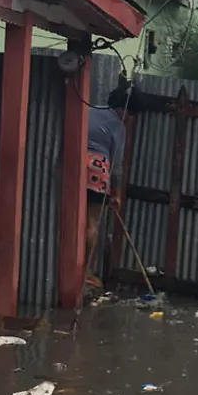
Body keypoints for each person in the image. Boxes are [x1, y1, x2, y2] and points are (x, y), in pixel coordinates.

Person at [85, 83, 134, 289]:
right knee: (91, 222)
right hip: (96, 169)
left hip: (72, 162)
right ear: (125, 110)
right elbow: (116, 165)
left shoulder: (87, 109)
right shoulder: (118, 126)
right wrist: (117, 194)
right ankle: (86, 273)